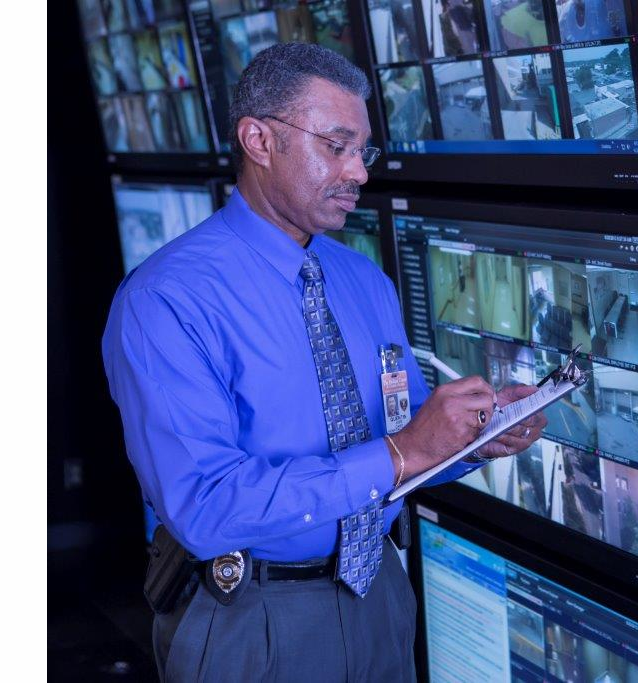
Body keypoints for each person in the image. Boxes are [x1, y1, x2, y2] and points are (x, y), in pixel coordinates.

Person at [102, 43, 546, 681]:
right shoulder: (165, 300)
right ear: (259, 140)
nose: (359, 172)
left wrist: (470, 440)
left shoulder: (362, 281)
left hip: (380, 598)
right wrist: (401, 453)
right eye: (336, 145)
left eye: (362, 150)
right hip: (252, 620)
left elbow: (403, 437)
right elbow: (204, 507)